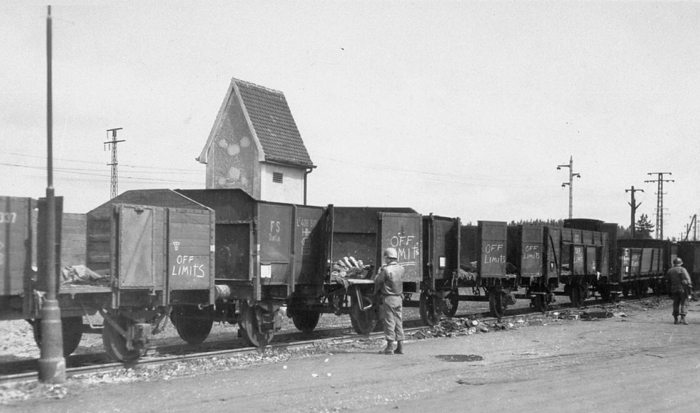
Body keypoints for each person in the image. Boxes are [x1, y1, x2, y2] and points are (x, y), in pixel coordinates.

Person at [374, 247, 405, 354]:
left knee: (389, 322)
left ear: (387, 258)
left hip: (389, 298)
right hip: (399, 298)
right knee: (398, 321)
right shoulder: (401, 268)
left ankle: (390, 347)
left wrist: (378, 273)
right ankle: (400, 346)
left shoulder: (385, 270)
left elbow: (378, 282)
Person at [666, 257, 693, 325]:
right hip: (682, 289)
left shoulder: (670, 270)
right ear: (681, 263)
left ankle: (676, 319)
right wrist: (690, 287)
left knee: (676, 303)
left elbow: (667, 281)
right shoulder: (682, 269)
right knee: (684, 303)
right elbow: (687, 279)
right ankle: (683, 319)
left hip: (674, 289)